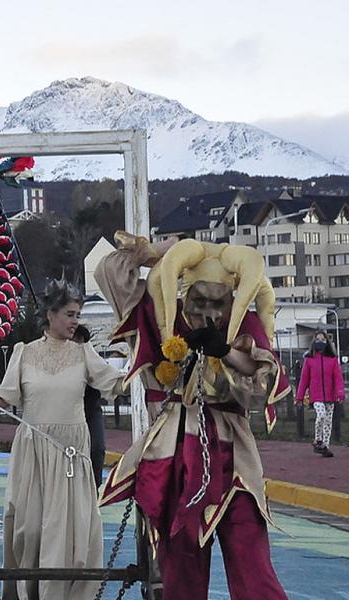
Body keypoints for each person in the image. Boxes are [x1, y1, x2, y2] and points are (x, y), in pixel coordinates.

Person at [95, 233, 288, 599]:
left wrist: (227, 351)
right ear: (185, 291)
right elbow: (109, 269)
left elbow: (261, 384)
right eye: (200, 300)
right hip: (175, 454)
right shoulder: (158, 312)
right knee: (181, 568)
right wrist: (155, 254)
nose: (210, 313)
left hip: (235, 458)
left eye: (220, 302)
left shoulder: (242, 325)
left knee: (252, 562)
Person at [0, 280, 123, 600]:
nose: (75, 321)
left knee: (70, 533)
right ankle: (29, 593)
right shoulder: (23, 353)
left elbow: (115, 381)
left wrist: (154, 367)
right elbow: (4, 397)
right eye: (69, 314)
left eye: (78, 314)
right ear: (50, 315)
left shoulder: (84, 352)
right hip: (34, 451)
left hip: (71, 452)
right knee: (33, 530)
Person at [296, 331, 344, 457]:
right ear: (314, 342)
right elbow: (304, 379)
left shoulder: (333, 360)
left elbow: (338, 378)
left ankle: (325, 447)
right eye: (318, 339)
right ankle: (318, 439)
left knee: (328, 421)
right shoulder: (309, 360)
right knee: (321, 415)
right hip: (316, 395)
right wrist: (299, 397)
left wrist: (340, 393)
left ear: (327, 342)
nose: (320, 342)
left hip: (330, 395)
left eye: (323, 339)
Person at [72, 325, 106, 488]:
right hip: (67, 415)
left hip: (90, 411)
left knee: (96, 448)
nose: (76, 346)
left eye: (80, 342)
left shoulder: (91, 360)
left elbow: (107, 377)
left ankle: (94, 488)